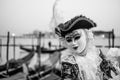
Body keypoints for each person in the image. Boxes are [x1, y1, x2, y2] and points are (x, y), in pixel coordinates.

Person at [54, 15, 120, 80]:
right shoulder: (68, 63)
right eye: (69, 40)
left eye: (77, 37)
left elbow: (112, 71)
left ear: (86, 36)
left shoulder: (97, 53)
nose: (73, 43)